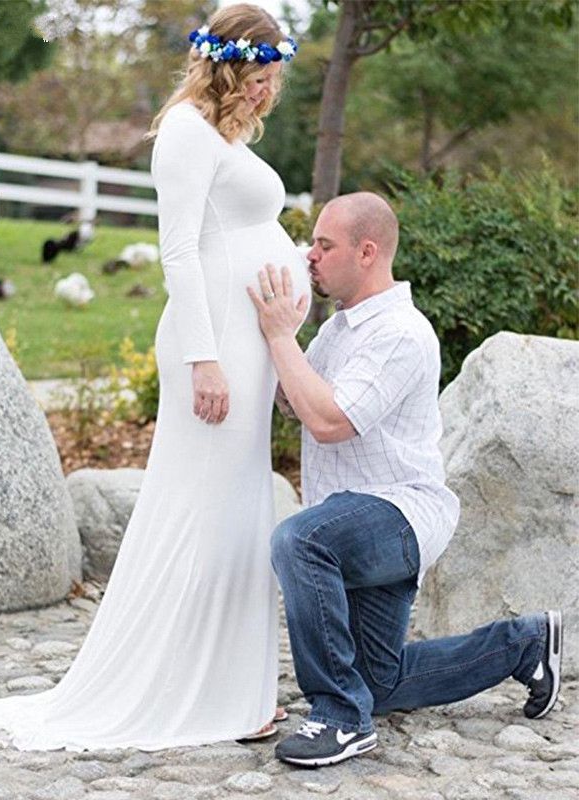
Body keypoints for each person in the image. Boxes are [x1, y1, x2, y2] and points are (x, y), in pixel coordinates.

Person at [0, 4, 310, 750]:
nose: (269, 88)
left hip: (245, 344)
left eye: (274, 75)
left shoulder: (225, 136)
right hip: (213, 345)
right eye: (261, 74)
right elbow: (179, 251)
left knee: (237, 509)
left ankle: (232, 689)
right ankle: (197, 691)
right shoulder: (185, 130)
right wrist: (203, 358)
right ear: (230, 65)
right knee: (207, 510)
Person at [247, 191, 563, 767]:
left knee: (300, 540)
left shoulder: (400, 332)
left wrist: (279, 338)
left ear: (367, 252)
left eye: (324, 245)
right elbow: (298, 403)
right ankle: (526, 642)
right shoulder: (339, 329)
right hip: (354, 519)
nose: (310, 255)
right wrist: (271, 340)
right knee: (380, 683)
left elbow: (329, 421)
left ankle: (340, 718)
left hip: (397, 514)